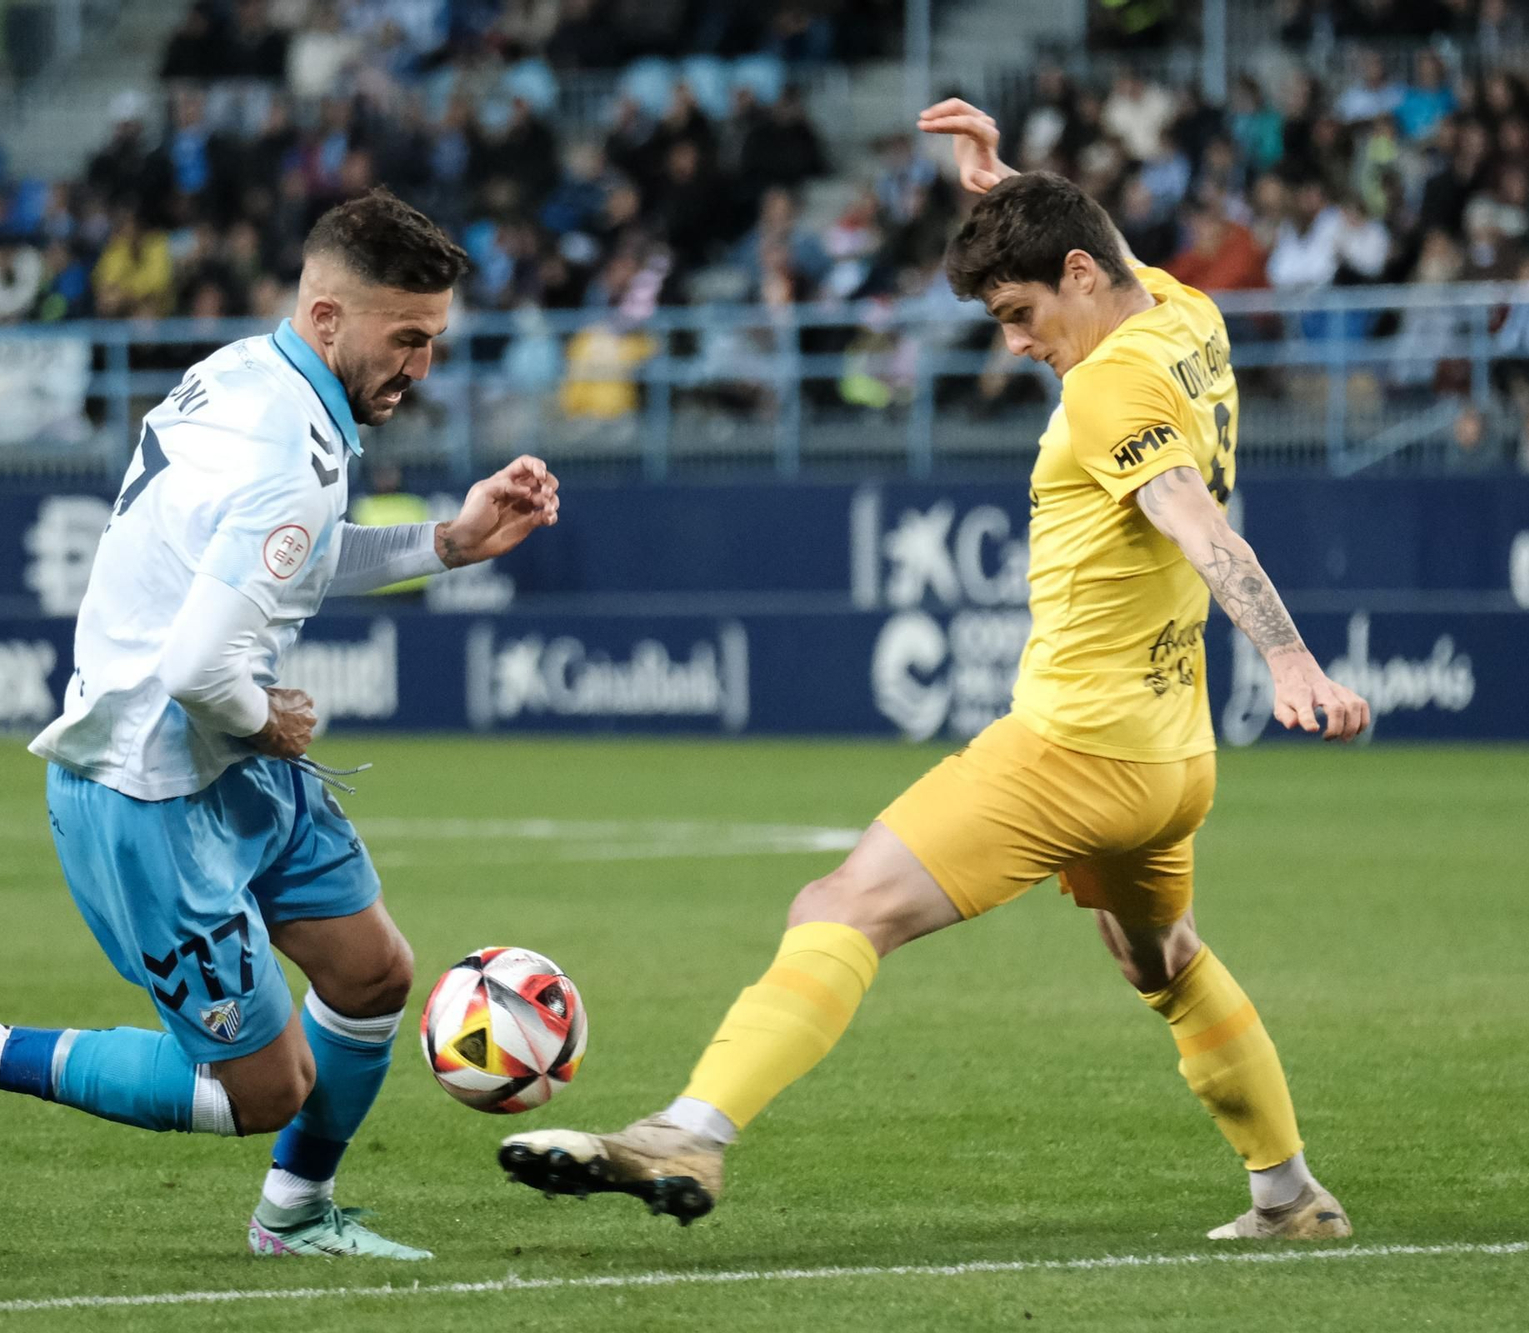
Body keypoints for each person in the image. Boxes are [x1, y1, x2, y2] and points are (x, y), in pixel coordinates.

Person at [497, 100, 1369, 1244]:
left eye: (1018, 313)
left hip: (1071, 750)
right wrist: (1009, 185)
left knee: (842, 906)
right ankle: (1288, 1194)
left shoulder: (1106, 382)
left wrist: (1288, 654)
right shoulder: (1182, 314)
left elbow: (1195, 522)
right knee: (1158, 958)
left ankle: (690, 1130)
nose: (1014, 343)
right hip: (1172, 759)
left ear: (1075, 276)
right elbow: (1089, 236)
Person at [0, 189, 561, 1260]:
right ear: (330, 318)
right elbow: (201, 668)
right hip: (146, 785)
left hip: (222, 758)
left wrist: (446, 544)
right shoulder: (289, 451)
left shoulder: (249, 375)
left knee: (373, 972)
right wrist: (263, 717)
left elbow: (273, 560)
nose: (421, 366)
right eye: (407, 339)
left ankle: (294, 1216)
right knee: (260, 1086)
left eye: (432, 340)